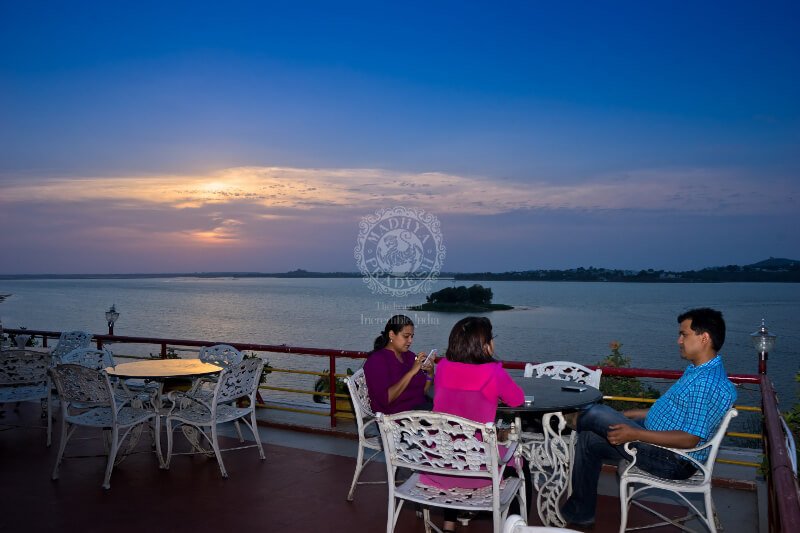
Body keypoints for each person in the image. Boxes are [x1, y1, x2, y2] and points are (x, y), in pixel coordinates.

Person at [560, 307, 737, 527]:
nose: (678, 340)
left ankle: (571, 419)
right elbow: (675, 410)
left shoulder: (705, 382)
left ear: (704, 338)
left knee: (596, 412)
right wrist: (635, 414)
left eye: (684, 334)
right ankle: (580, 513)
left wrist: (634, 433)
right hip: (657, 439)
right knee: (588, 437)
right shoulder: (699, 371)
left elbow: (689, 439)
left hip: (674, 460)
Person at [418, 316, 527, 533]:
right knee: (522, 465)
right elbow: (517, 400)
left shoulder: (444, 367)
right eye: (491, 338)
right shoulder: (493, 372)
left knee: (454, 438)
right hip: (479, 472)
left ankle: (449, 525)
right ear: (484, 345)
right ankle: (518, 526)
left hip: (440, 467)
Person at [363, 314, 434, 415]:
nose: (410, 341)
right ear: (391, 334)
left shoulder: (409, 356)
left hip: (418, 412)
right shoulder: (377, 360)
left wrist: (430, 373)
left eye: (412, 336)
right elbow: (385, 400)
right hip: (396, 420)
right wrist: (411, 373)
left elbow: (421, 392)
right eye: (406, 336)